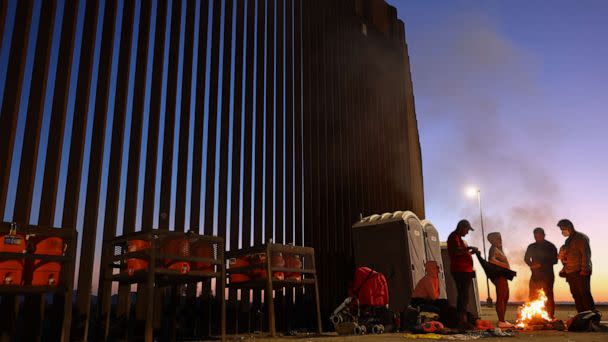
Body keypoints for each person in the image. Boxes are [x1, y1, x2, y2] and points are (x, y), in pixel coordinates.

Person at [557, 219, 595, 313]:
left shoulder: (581, 238)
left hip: (581, 271)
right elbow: (564, 257)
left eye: (563, 229)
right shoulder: (567, 241)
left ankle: (592, 318)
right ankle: (582, 317)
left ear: (569, 227)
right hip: (571, 273)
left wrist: (585, 269)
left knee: (585, 295)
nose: (562, 232)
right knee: (576, 295)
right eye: (561, 230)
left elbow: (585, 254)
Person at [447, 219, 478, 328]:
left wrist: (470, 253)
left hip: (464, 271)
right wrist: (469, 248)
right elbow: (456, 251)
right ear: (462, 227)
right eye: (467, 230)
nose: (467, 232)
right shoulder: (454, 237)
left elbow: (461, 253)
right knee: (463, 296)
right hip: (460, 271)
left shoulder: (458, 238)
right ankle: (461, 321)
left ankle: (463, 320)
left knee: (464, 296)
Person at [523, 227, 558, 318]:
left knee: (548, 295)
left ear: (543, 235)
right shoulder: (531, 246)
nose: (537, 238)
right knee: (533, 294)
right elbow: (526, 259)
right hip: (535, 275)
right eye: (535, 236)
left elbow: (555, 260)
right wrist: (531, 265)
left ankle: (550, 316)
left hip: (548, 275)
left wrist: (541, 264)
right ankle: (534, 315)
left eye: (539, 236)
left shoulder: (550, 246)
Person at [487, 232, 514, 328]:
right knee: (501, 296)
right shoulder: (493, 249)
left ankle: (502, 320)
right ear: (492, 240)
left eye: (500, 238)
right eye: (498, 238)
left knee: (505, 296)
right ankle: (501, 321)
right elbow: (491, 260)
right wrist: (504, 266)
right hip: (499, 275)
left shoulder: (499, 249)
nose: (500, 240)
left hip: (503, 275)